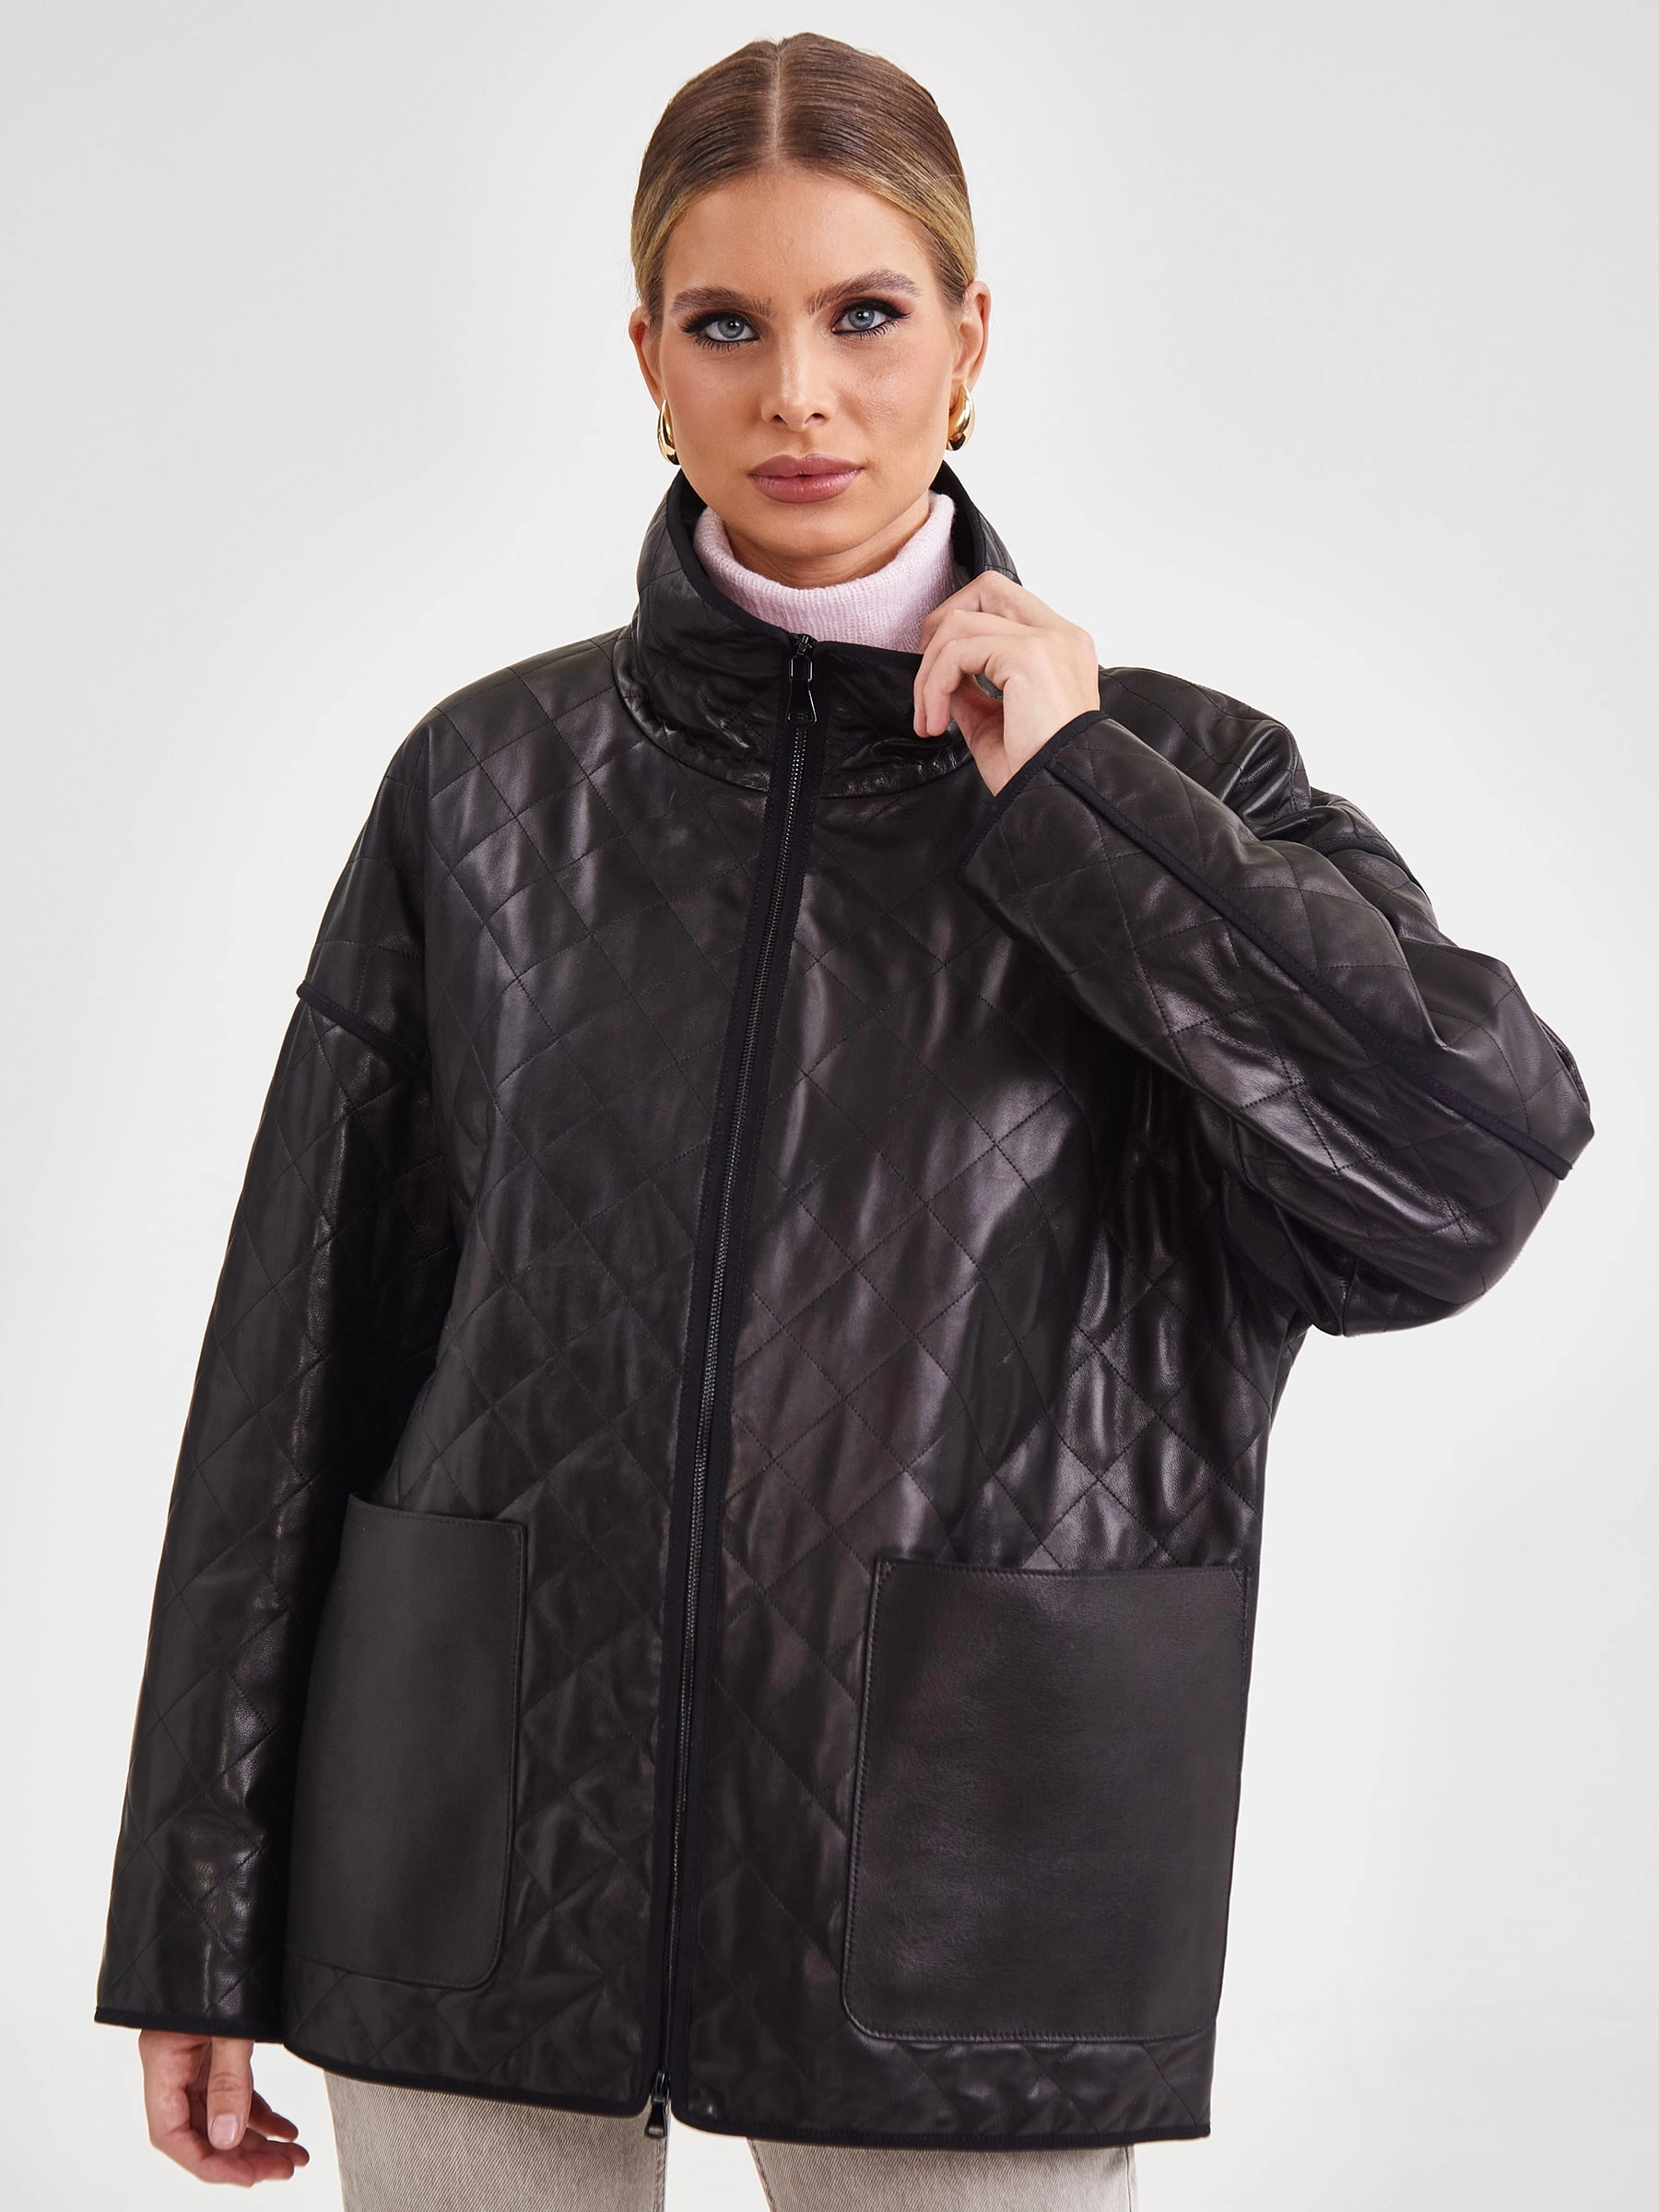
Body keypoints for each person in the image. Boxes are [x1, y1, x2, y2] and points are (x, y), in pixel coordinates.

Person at [94, 29, 1594, 2211]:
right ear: (648, 360)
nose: (800, 393)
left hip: (968, 1853)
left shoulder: (1181, 786)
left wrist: (1081, 805)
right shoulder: (484, 792)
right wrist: (196, 1910)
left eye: (865, 315)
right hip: (473, 1828)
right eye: (729, 324)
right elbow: (293, 1366)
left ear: (970, 344)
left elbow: (1456, 1184)